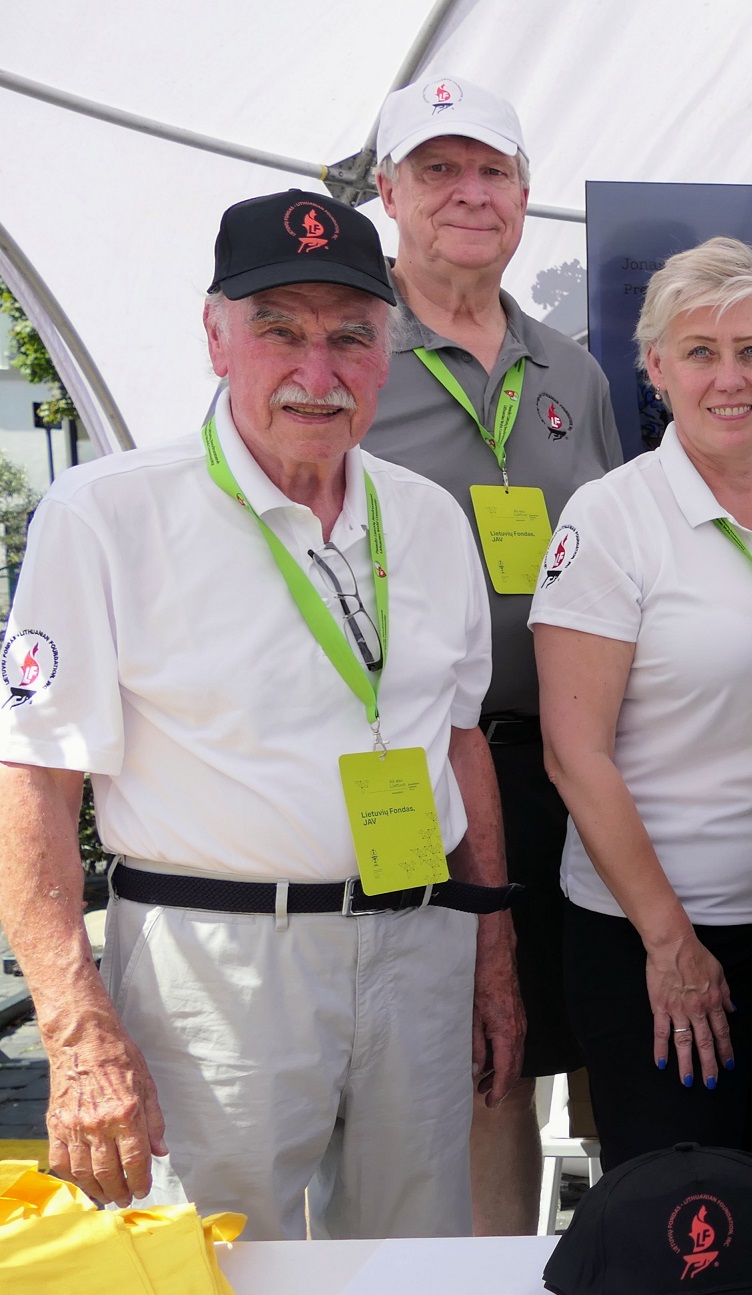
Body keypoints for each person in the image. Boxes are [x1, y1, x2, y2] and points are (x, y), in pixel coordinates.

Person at [0, 191, 514, 1238]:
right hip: (218, 969)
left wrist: (491, 958)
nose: (316, 374)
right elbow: (35, 778)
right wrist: (77, 1030)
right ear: (215, 337)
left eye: (349, 337)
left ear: (388, 351)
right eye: (279, 331)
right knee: (220, 1282)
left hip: (418, 947)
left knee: (412, 1271)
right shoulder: (106, 515)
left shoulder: (427, 519)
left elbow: (459, 741)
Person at [532, 238, 752, 1175]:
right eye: (700, 352)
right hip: (659, 942)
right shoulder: (611, 518)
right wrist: (670, 942)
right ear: (655, 368)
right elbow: (573, 754)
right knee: (690, 1211)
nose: (730, 378)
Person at [362, 74, 625, 1234]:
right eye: (437, 170)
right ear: (387, 193)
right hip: (417, 770)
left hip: (573, 763)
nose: (469, 193)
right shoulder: (345, 357)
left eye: (492, 171)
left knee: (595, 1039)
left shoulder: (573, 371)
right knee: (475, 1061)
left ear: (524, 194)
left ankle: (612, 1282)